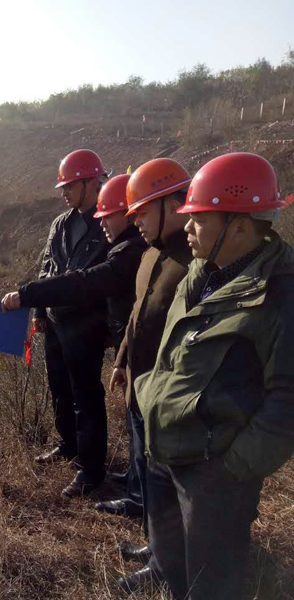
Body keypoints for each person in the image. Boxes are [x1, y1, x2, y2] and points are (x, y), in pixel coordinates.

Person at [128, 152, 294, 600]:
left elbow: (287, 403)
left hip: (214, 472)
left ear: (239, 226)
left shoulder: (280, 295)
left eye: (199, 219)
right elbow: (173, 350)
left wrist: (231, 470)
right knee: (174, 569)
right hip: (168, 446)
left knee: (211, 585)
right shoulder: (202, 272)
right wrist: (150, 396)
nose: (186, 228)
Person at [105, 158, 195, 592]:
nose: (134, 220)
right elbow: (138, 316)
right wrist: (121, 360)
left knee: (169, 486)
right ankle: (157, 550)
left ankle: (168, 568)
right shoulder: (151, 254)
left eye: (141, 212)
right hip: (141, 389)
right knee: (148, 474)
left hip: (170, 398)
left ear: (172, 205)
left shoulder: (196, 262)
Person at [8, 149, 111, 497]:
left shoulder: (107, 222)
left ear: (91, 182)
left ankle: (91, 470)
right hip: (55, 320)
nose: (64, 192)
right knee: (60, 388)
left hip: (86, 324)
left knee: (86, 395)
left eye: (69, 186)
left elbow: (99, 279)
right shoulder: (61, 224)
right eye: (63, 187)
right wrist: (40, 313)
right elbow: (47, 267)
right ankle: (68, 444)